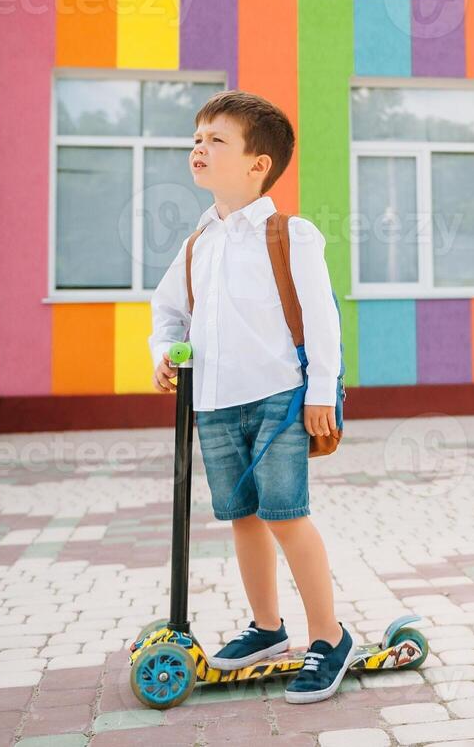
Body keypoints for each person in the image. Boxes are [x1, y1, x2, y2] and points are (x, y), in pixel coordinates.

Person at [148, 90, 354, 704]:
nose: (198, 148)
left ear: (257, 164)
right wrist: (163, 351)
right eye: (196, 138)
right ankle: (267, 629)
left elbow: (322, 323)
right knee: (241, 518)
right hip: (213, 400)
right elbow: (168, 312)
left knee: (285, 516)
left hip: (279, 397)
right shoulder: (199, 242)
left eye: (215, 140)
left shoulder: (289, 234)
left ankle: (329, 637)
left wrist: (321, 392)